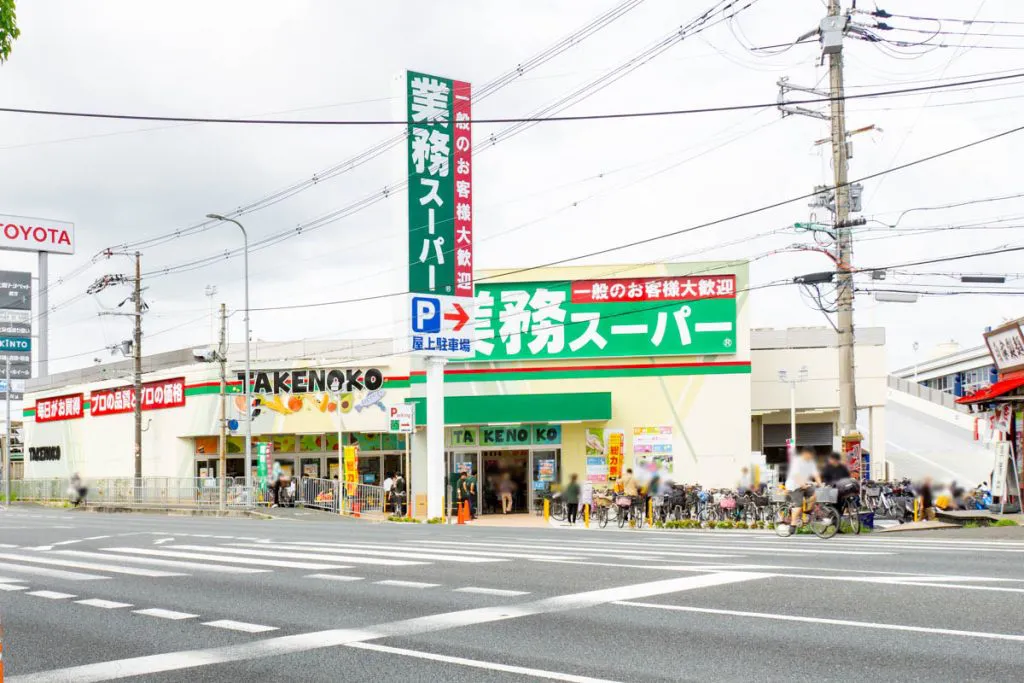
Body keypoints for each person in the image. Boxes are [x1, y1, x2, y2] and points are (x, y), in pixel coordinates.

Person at [785, 448, 822, 527]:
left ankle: (808, 511)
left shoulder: (811, 463)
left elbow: (816, 474)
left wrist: (819, 483)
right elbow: (796, 475)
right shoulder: (797, 462)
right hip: (794, 486)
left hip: (804, 485)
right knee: (798, 505)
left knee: (815, 493)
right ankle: (793, 524)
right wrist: (802, 485)